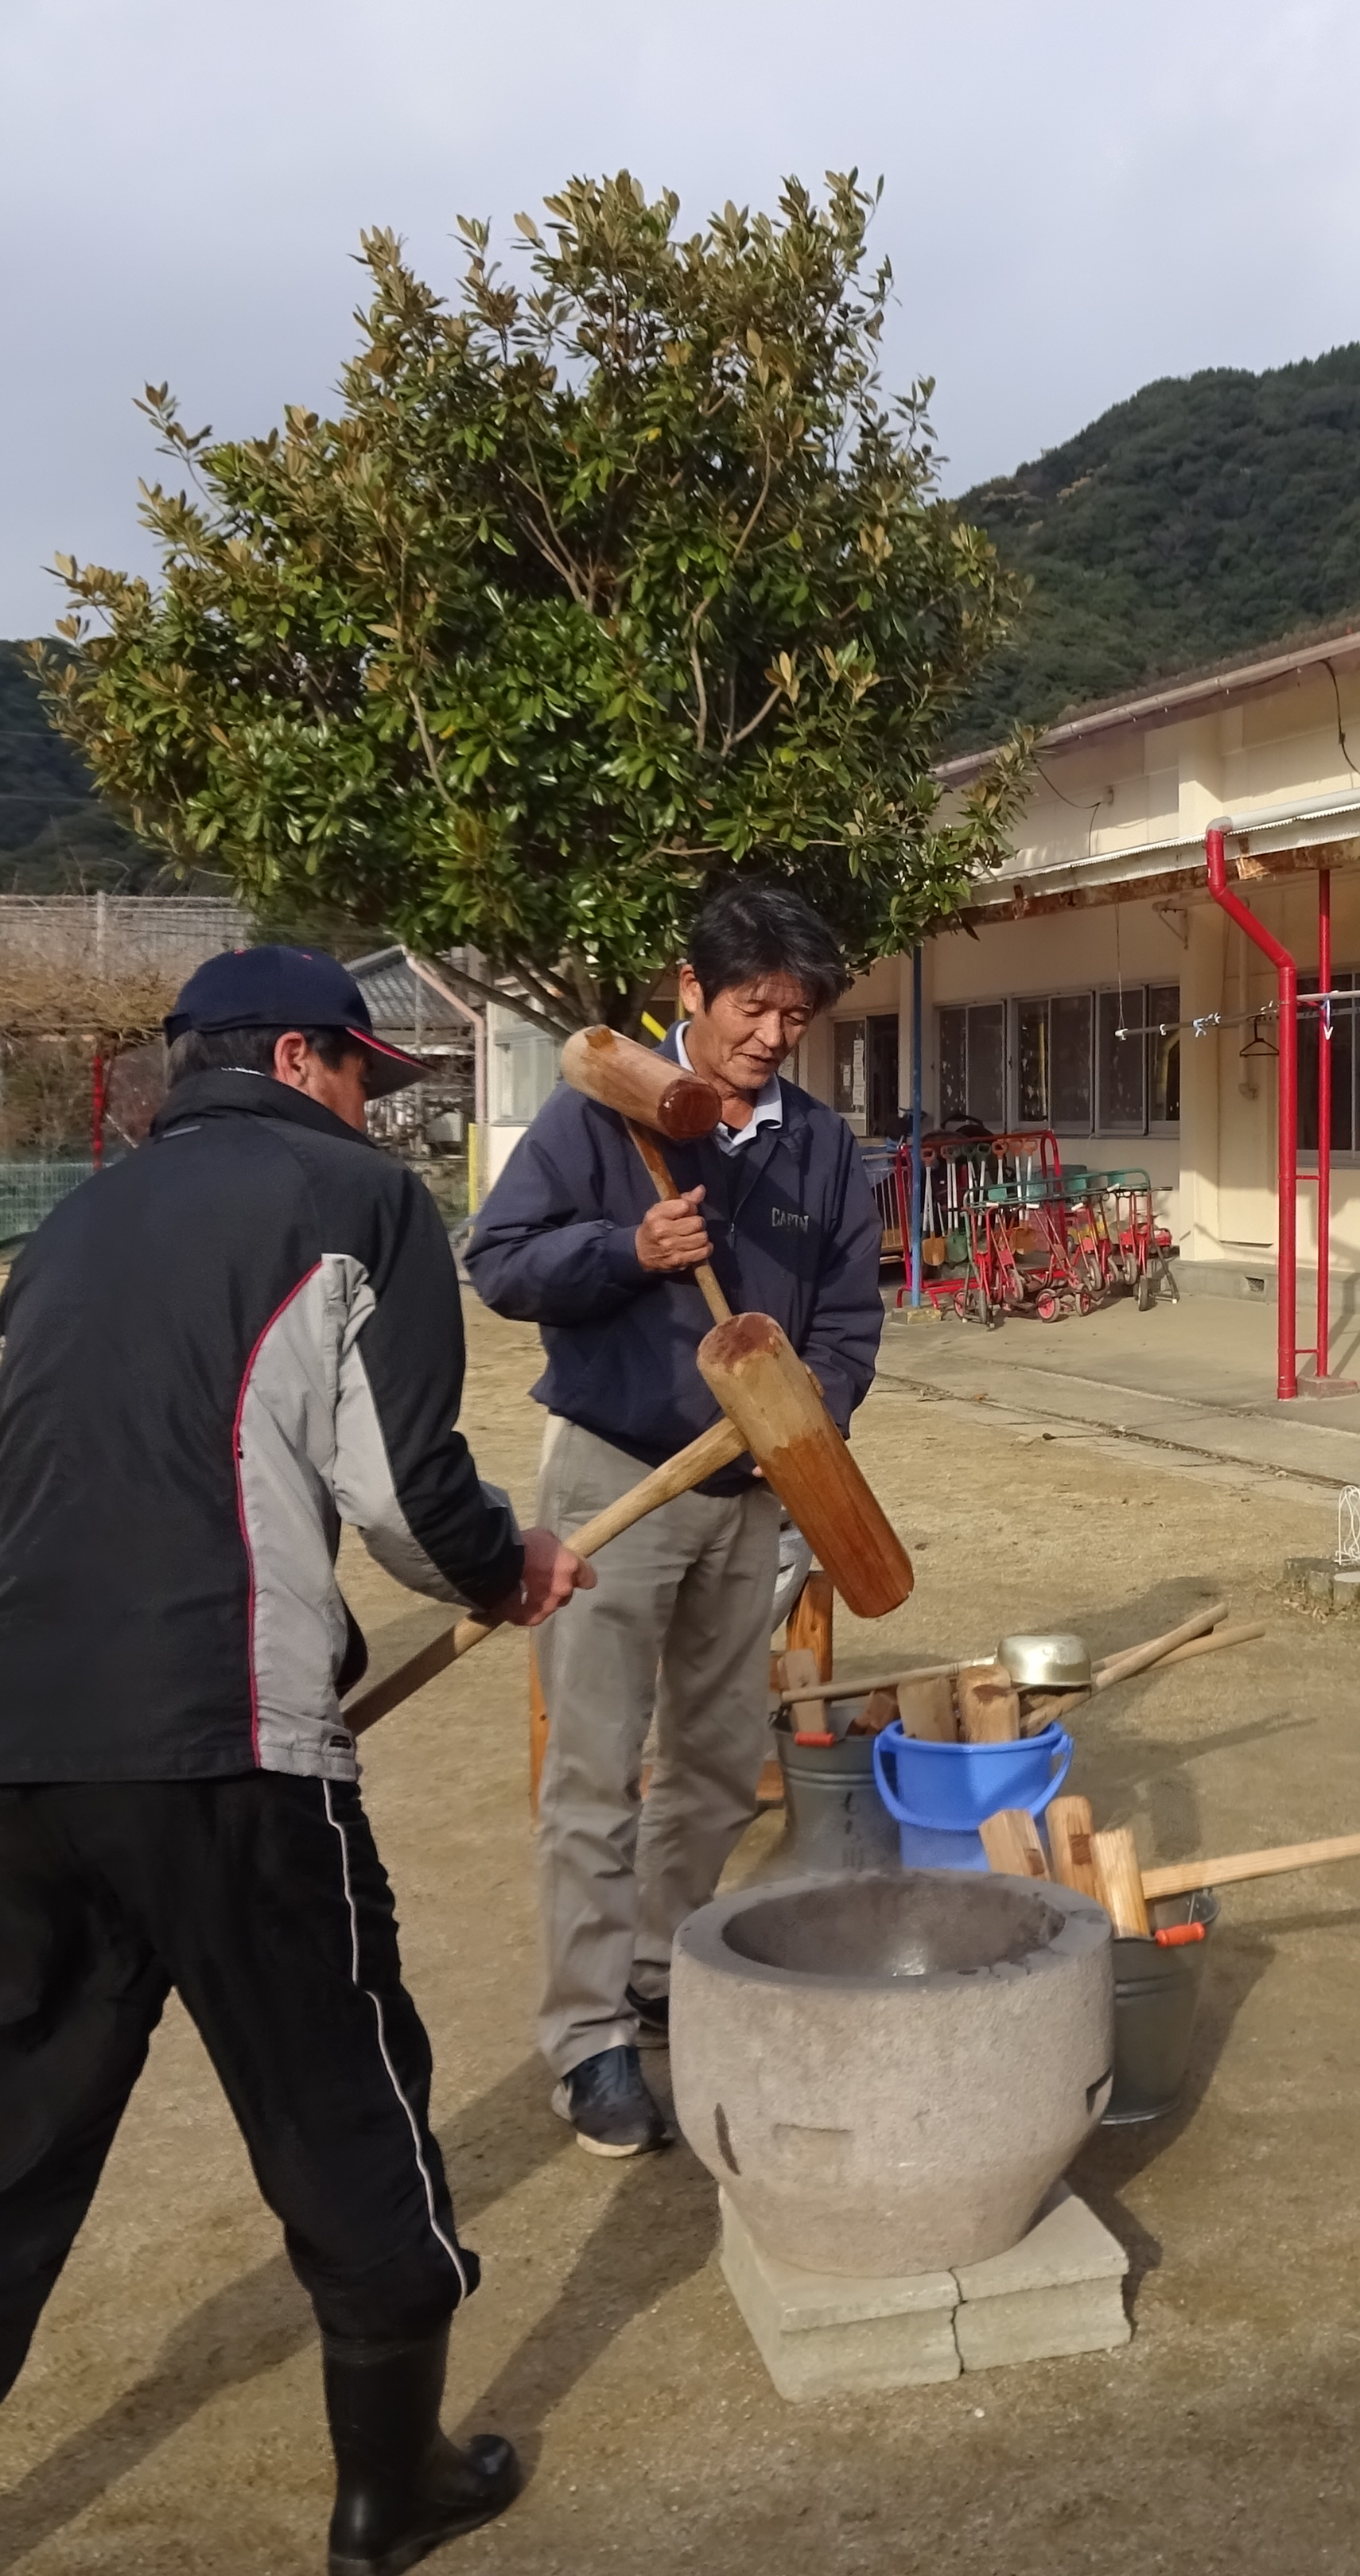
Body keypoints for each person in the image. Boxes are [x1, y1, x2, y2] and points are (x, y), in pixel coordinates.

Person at [0, 946, 589, 2576]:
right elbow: (404, 1486)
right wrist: (507, 1565)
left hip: (6, 1738)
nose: (382, 1106)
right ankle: (390, 2499)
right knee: (342, 2103)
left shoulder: (74, 1225)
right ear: (301, 1057)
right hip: (227, 1741)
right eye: (369, 1073)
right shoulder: (355, 1200)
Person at [463, 882, 883, 2160]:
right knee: (594, 1767)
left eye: (794, 1016)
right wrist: (622, 1251)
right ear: (690, 991)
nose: (771, 1035)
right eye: (752, 1007)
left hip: (753, 1488)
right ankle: (589, 2041)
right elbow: (498, 1263)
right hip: (616, 1478)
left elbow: (851, 1322)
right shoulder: (600, 1116)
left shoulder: (818, 1147)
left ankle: (657, 1967)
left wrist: (806, 1430)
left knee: (708, 1760)